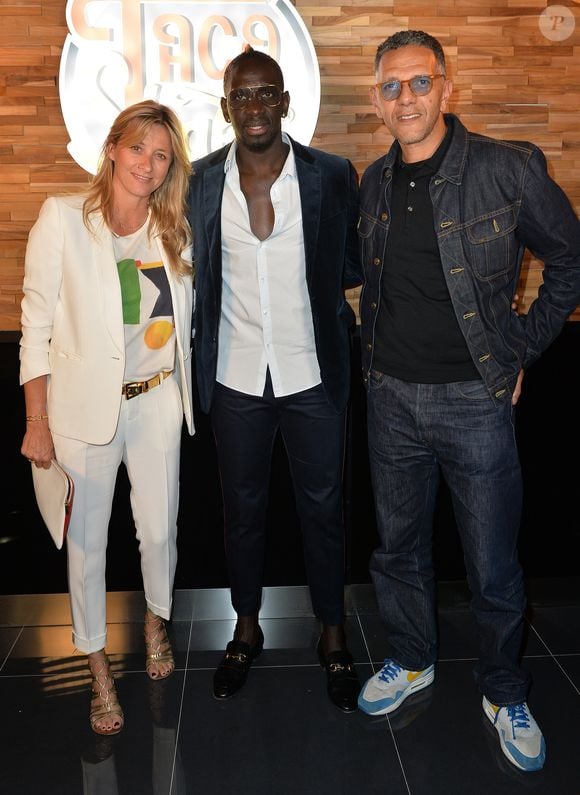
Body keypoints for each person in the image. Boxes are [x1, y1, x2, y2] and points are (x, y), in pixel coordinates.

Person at [356, 29, 580, 772]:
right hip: (390, 399)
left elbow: (569, 262)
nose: (407, 98)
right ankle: (413, 658)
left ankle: (503, 687)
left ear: (446, 88)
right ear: (377, 100)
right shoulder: (373, 183)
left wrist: (520, 350)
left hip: (474, 402)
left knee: (492, 564)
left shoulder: (505, 170)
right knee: (399, 552)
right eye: (392, 86)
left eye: (420, 82)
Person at [188, 46, 362, 712]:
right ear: (227, 105)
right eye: (242, 95)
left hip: (313, 374)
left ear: (285, 101)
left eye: (267, 93)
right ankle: (246, 626)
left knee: (325, 510)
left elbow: (351, 263)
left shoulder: (333, 175)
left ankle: (332, 632)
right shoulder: (201, 181)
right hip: (234, 379)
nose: (255, 106)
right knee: (243, 514)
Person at [19, 100, 195, 735]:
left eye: (161, 155)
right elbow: (35, 322)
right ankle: (96, 668)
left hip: (156, 400)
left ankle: (155, 620)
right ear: (113, 149)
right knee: (87, 547)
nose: (147, 165)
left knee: (160, 531)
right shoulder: (65, 218)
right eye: (138, 149)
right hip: (78, 412)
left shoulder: (173, 228)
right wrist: (35, 418)